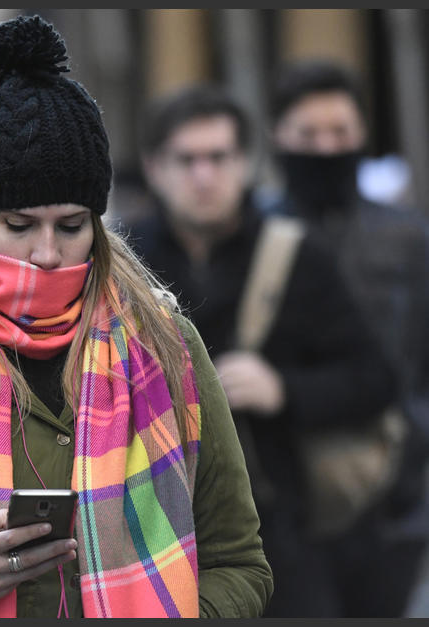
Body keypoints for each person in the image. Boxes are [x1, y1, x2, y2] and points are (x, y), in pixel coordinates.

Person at [0, 15, 272, 619]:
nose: (46, 252)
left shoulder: (166, 345)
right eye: (18, 225)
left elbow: (239, 563)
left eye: (70, 227)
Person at [124, 84, 395, 617]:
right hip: (154, 531)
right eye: (187, 159)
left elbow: (375, 378)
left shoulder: (296, 255)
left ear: (246, 163)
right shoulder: (125, 264)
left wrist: (283, 389)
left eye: (219, 157)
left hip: (287, 533)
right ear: (155, 168)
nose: (204, 176)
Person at [265, 59, 429, 617]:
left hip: (396, 495)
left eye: (340, 133)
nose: (326, 148)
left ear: (362, 135)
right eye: (308, 135)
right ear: (278, 138)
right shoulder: (262, 238)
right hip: (290, 497)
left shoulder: (407, 238)